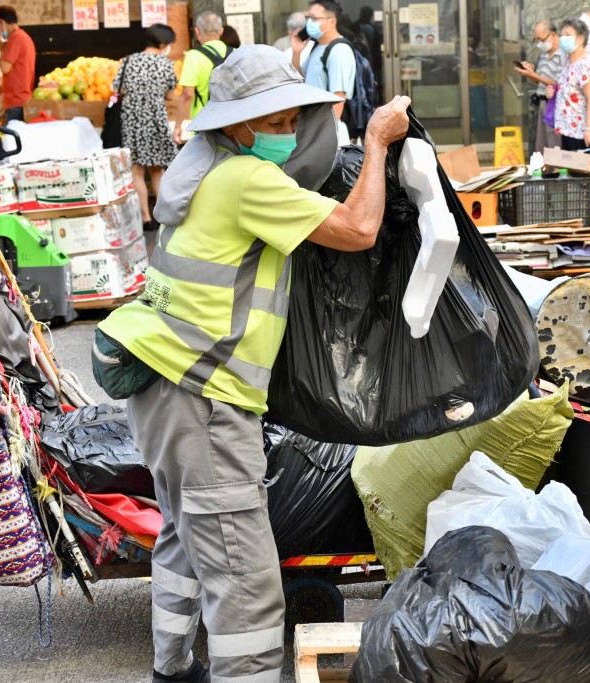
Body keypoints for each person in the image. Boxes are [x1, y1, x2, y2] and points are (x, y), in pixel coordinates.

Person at [95, 44, 411, 683]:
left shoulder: (198, 166)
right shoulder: (247, 180)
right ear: (235, 124)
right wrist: (376, 143)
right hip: (204, 396)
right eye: (272, 122)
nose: (286, 132)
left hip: (162, 384)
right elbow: (358, 228)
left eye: (292, 119)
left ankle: (172, 668)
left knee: (188, 533)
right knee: (245, 574)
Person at [114, 24, 179, 232]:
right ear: (162, 44)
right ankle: (162, 217)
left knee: (137, 170)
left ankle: (145, 217)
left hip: (132, 118)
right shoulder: (165, 64)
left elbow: (118, 88)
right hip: (155, 118)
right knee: (158, 169)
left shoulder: (127, 61)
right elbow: (170, 95)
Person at [292, 0, 357, 145]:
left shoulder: (339, 50)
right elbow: (300, 76)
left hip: (328, 133)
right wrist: (296, 52)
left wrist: (324, 136)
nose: (309, 23)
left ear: (331, 21)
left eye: (314, 19)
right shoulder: (317, 46)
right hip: (314, 126)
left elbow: (339, 97)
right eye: (308, 18)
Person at [172, 11, 232, 146]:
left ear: (197, 31)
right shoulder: (234, 52)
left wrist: (177, 127)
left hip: (205, 122)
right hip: (232, 120)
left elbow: (187, 94)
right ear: (221, 31)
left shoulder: (193, 56)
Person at [546, 18, 590, 151]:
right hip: (569, 129)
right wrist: (553, 92)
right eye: (562, 34)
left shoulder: (585, 64)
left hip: (581, 133)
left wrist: (589, 129)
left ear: (580, 39)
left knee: (580, 171)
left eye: (568, 35)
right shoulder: (570, 62)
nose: (562, 38)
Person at [515, 19, 565, 154]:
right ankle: (546, 171)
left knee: (554, 144)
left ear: (553, 34)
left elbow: (557, 83)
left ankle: (555, 171)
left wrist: (534, 75)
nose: (540, 43)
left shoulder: (563, 54)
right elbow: (541, 81)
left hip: (555, 104)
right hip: (542, 101)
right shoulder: (543, 54)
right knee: (542, 144)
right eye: (536, 40)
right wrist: (529, 73)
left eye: (541, 39)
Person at [0, 5, 35, 123]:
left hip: (16, 102)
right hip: (22, 99)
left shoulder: (16, 38)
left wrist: (1, 49)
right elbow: (19, 70)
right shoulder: (24, 37)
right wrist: (3, 87)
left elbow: (5, 67)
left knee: (12, 139)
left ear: (1, 22)